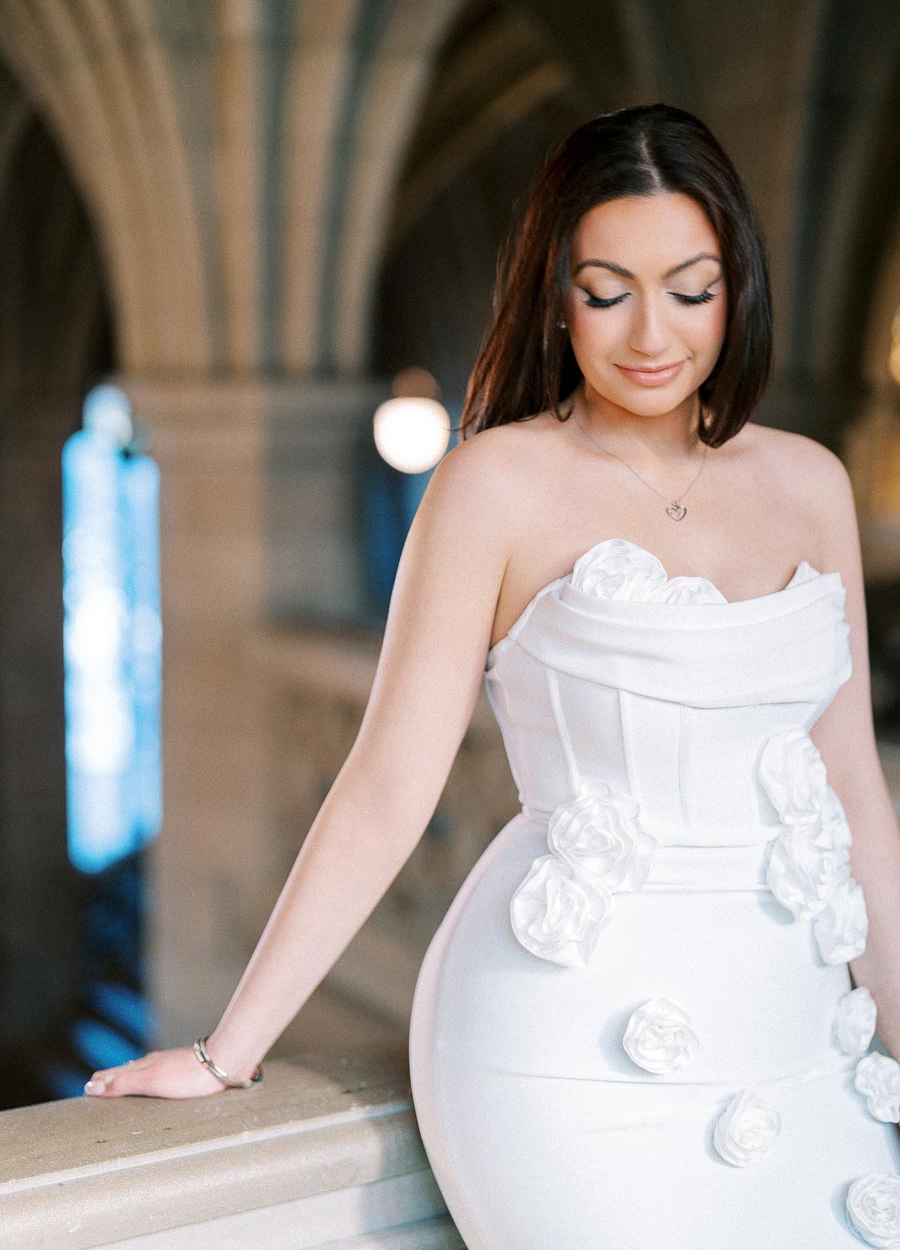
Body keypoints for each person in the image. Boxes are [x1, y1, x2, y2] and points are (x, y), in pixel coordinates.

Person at [84, 104, 900, 1248]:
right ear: (555, 293)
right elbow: (385, 786)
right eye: (608, 290)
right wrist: (228, 1053)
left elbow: (851, 782)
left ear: (739, 287)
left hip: (797, 1019)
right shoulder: (493, 488)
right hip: (565, 1039)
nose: (651, 333)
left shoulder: (811, 483)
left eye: (691, 288)